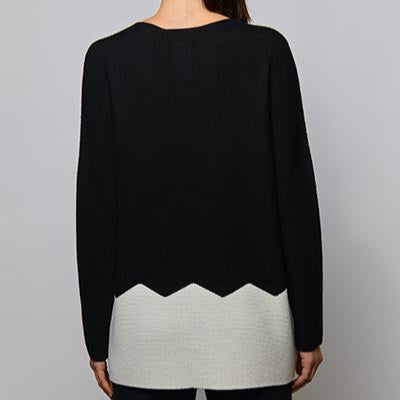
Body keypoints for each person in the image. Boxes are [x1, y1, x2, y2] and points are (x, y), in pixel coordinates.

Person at [76, 0, 324, 399]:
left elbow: (97, 211)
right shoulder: (267, 50)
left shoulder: (108, 58)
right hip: (252, 322)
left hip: (145, 325)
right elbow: (295, 202)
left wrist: (97, 338)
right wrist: (309, 329)